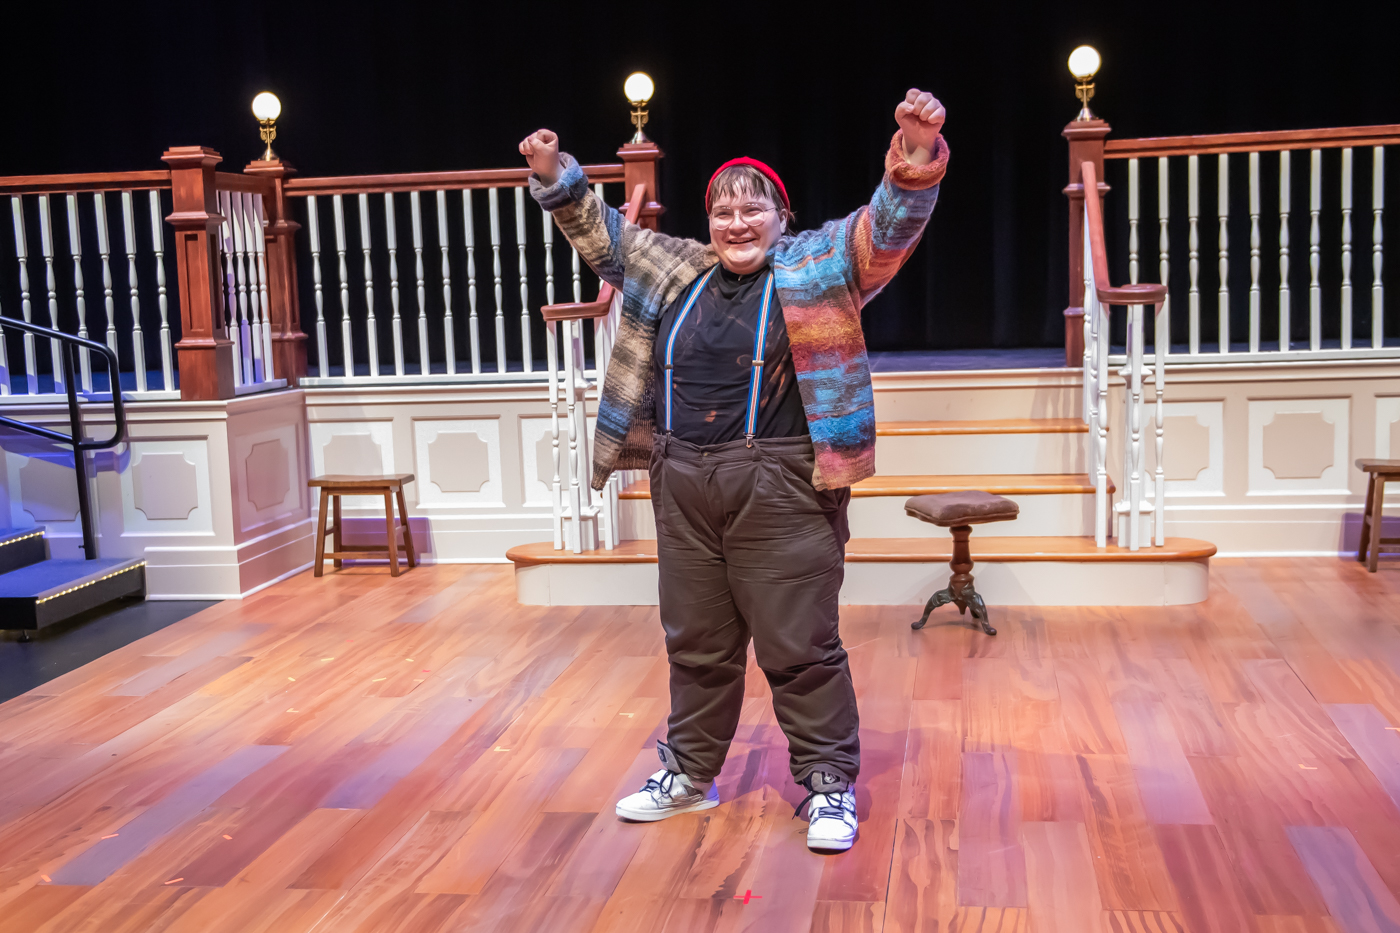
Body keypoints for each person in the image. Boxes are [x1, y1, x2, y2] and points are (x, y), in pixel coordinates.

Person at [520, 89, 948, 853]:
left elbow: (887, 229)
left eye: (754, 209)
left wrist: (914, 156)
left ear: (783, 216)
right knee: (695, 641)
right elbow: (605, 236)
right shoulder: (674, 267)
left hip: (781, 484)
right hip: (682, 480)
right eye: (723, 210)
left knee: (799, 645)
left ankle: (827, 783)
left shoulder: (820, 263)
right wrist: (556, 175)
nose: (737, 223)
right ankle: (689, 772)